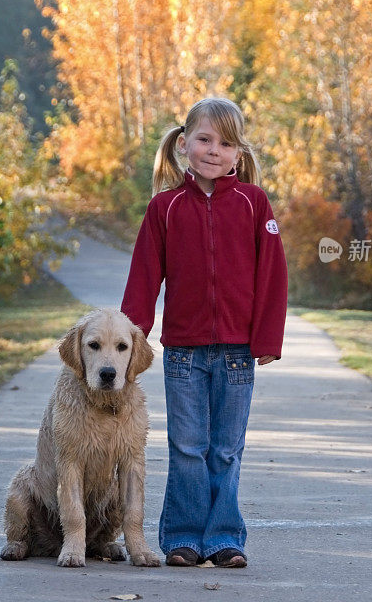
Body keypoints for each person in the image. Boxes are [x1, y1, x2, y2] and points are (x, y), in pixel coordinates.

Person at [120, 97, 288, 569]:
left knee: (226, 449)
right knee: (188, 447)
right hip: (184, 354)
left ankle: (224, 538)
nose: (215, 150)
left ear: (238, 153)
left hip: (237, 352)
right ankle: (183, 538)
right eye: (205, 139)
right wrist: (131, 343)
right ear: (184, 144)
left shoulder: (254, 203)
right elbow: (143, 277)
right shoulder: (165, 208)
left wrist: (267, 339)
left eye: (226, 142)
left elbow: (272, 275)